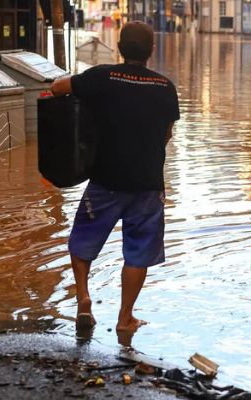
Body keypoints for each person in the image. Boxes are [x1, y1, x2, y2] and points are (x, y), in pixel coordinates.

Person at [50, 21, 180, 333]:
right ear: (151, 51)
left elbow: (58, 89)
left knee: (82, 241)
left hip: (105, 180)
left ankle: (83, 299)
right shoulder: (165, 87)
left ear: (119, 48)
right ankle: (125, 318)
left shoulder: (102, 76)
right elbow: (166, 135)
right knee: (138, 253)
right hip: (147, 184)